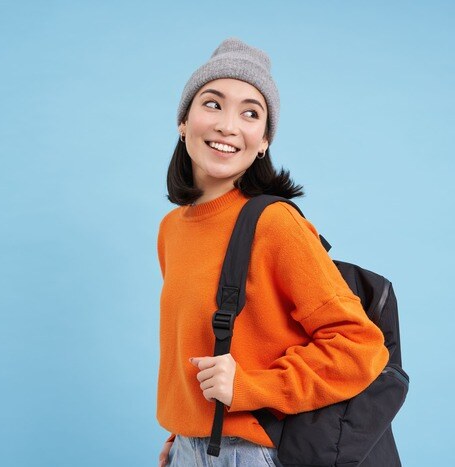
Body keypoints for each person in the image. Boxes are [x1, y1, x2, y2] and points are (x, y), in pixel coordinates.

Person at [156, 37, 390, 467]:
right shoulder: (172, 229)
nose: (229, 125)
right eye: (212, 104)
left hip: (251, 453)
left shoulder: (274, 224)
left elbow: (361, 346)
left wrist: (251, 387)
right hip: (191, 448)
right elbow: (193, 342)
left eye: (250, 113)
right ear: (183, 122)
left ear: (263, 141)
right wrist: (183, 431)